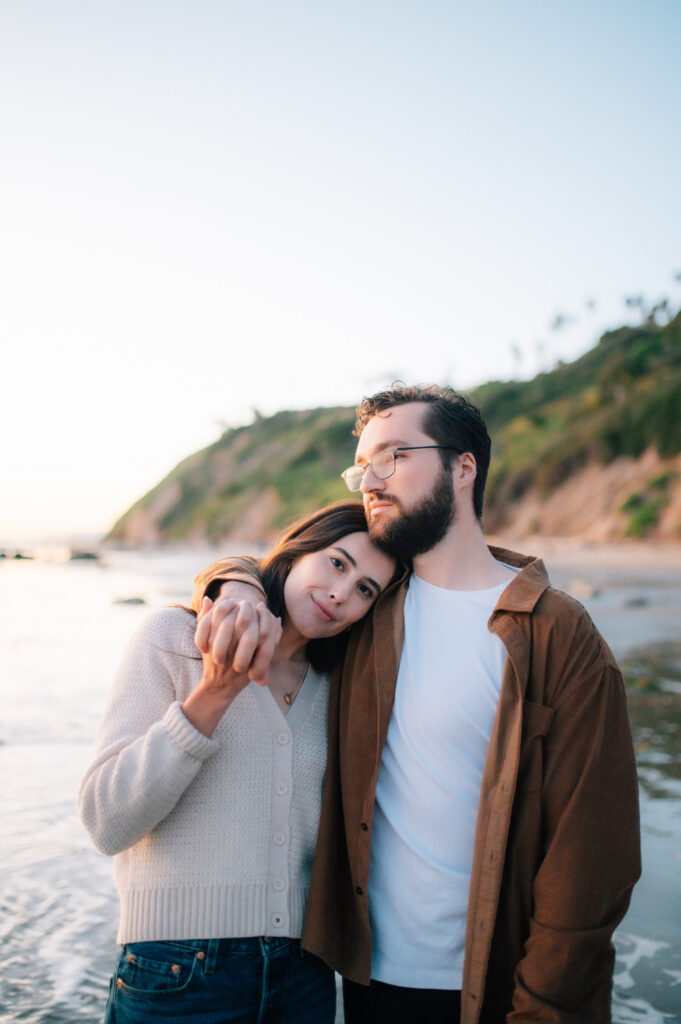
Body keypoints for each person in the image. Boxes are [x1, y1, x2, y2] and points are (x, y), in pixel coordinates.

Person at [199, 384, 641, 1024]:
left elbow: (594, 855)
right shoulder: (365, 612)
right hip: (361, 978)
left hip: (496, 984)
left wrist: (545, 1007)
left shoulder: (554, 632)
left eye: (394, 456)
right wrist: (233, 583)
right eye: (363, 467)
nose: (370, 482)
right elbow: (281, 572)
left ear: (465, 468)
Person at [79, 500, 396, 1024]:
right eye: (337, 563)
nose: (341, 593)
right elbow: (105, 821)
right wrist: (214, 693)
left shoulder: (340, 689)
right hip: (178, 973)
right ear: (298, 550)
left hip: (305, 977)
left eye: (365, 589)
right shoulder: (174, 639)